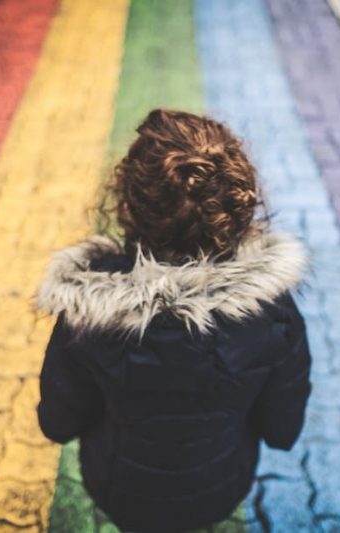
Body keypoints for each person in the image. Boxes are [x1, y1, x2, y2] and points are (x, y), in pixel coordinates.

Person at [35, 109, 312, 532]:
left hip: (120, 485)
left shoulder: (87, 313)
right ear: (236, 206)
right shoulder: (273, 313)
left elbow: (58, 422)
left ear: (128, 206)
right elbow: (281, 428)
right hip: (221, 484)